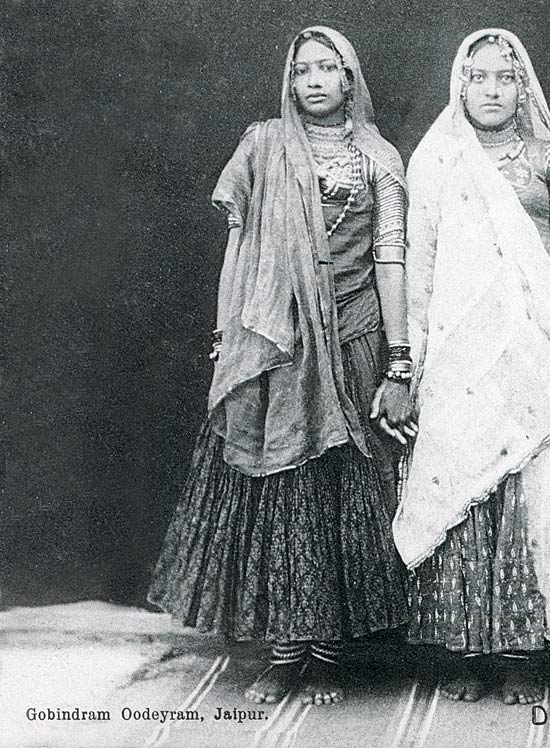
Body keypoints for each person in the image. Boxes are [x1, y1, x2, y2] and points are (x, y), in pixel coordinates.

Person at [148, 27, 412, 707]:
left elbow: (390, 258)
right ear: (290, 82)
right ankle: (283, 650)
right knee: (276, 490)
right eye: (303, 71)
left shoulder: (380, 157)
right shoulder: (262, 144)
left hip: (352, 333)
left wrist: (400, 355)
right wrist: (226, 329)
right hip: (271, 339)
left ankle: (328, 652)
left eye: (330, 68)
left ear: (352, 79)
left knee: (336, 490)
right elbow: (239, 245)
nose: (316, 80)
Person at [393, 28, 550, 707]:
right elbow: (421, 263)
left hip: (533, 342)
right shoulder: (436, 162)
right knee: (465, 481)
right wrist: (410, 363)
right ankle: (466, 647)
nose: (492, 90)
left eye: (505, 78)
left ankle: (521, 649)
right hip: (459, 349)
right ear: (459, 86)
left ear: (524, 88)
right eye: (479, 77)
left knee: (531, 483)